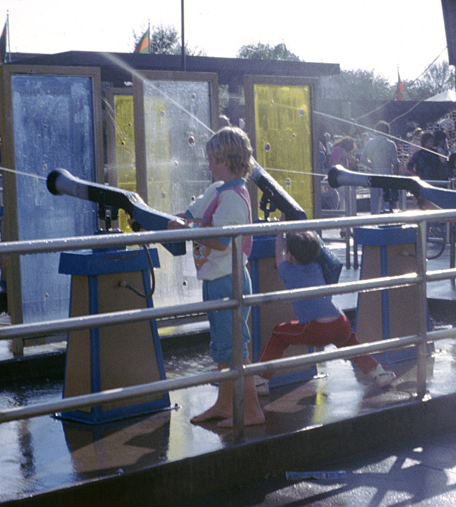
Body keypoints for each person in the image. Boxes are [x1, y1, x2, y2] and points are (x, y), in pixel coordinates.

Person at [166, 127, 265, 428]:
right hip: (215, 278)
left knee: (235, 347)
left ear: (225, 158)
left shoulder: (235, 196)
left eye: (211, 158)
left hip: (229, 279)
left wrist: (186, 231)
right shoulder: (217, 190)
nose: (207, 163)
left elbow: (221, 240)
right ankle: (225, 404)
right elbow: (189, 215)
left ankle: (251, 411)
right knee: (222, 346)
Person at [255, 227, 396, 394]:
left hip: (316, 328)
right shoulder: (317, 266)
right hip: (340, 322)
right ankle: (378, 372)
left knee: (279, 334)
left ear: (290, 255)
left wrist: (280, 231)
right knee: (351, 344)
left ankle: (260, 381)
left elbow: (279, 253)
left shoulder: (288, 270)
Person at [360, 121, 400, 214]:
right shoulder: (391, 144)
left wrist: (372, 165)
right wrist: (396, 178)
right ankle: (384, 222)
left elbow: (362, 159)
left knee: (374, 200)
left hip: (374, 172)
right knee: (385, 200)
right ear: (387, 131)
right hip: (387, 172)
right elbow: (395, 163)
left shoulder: (370, 142)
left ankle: (374, 221)